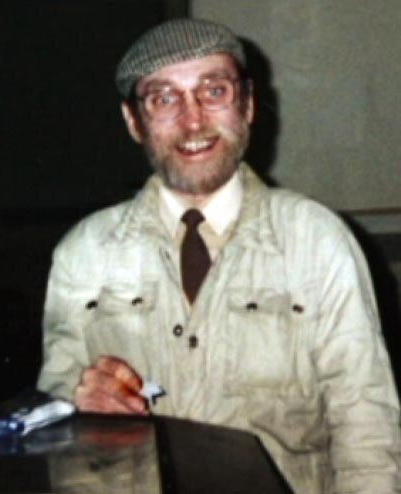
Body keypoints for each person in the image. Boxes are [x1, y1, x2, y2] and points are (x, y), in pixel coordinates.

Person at [37, 18, 400, 494]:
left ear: (247, 104)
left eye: (214, 91)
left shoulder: (317, 241)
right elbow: (49, 421)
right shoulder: (84, 252)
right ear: (133, 121)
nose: (193, 121)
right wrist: (79, 407)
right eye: (163, 98)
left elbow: (368, 433)